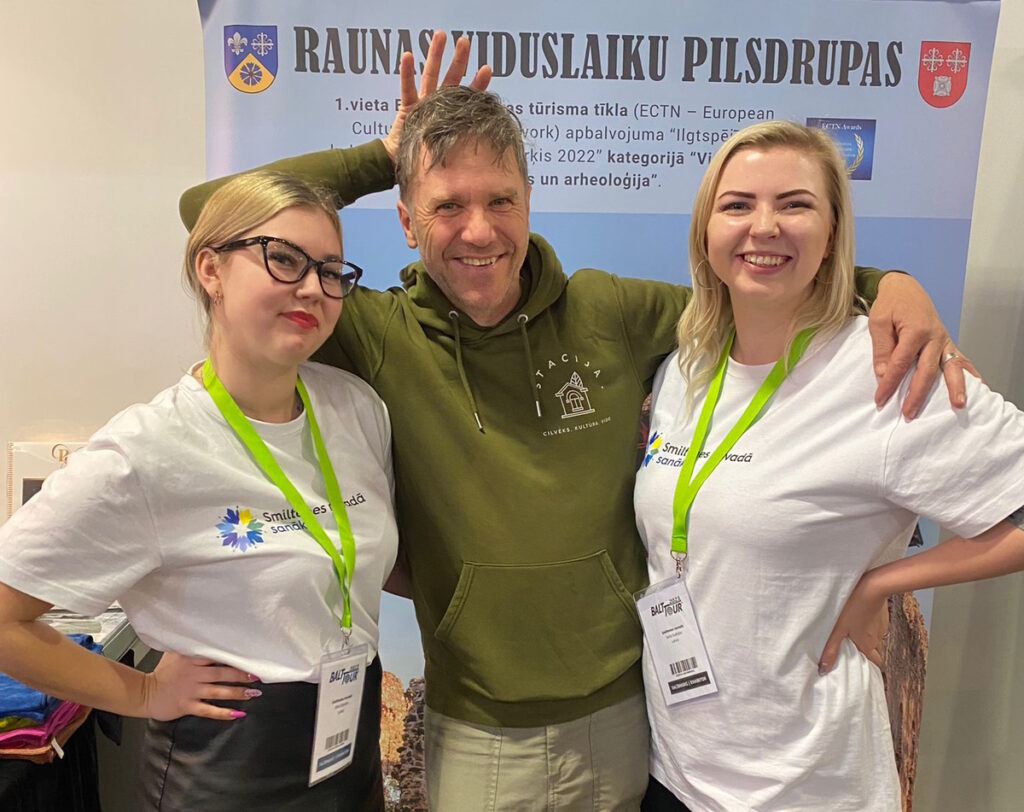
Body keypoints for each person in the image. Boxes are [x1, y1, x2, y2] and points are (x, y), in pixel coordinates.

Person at [178, 33, 966, 811]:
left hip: (627, 715)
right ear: (409, 222)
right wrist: (384, 157)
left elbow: (755, 288)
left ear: (529, 202)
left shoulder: (607, 309)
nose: (479, 230)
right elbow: (208, 214)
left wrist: (885, 282)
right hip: (477, 730)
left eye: (500, 201)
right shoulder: (378, 332)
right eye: (447, 205)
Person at [633, 120, 1024, 811]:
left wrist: (883, 583)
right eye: (737, 205)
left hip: (810, 786)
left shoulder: (886, 371)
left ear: (833, 230)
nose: (764, 227)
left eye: (795, 204)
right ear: (705, 231)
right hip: (676, 773)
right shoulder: (685, 368)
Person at [0, 171, 399, 810]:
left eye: (330, 271)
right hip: (229, 768)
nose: (312, 287)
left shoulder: (356, 410)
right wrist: (142, 693)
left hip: (349, 755)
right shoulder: (150, 449)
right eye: (284, 259)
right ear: (210, 269)